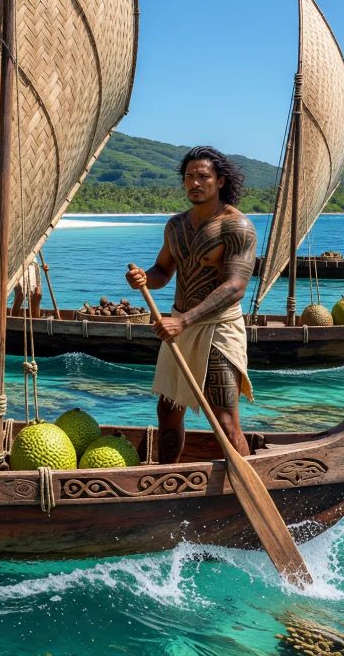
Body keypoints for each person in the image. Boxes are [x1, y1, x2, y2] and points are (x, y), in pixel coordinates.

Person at [125, 146, 257, 463]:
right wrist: (145, 278)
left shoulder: (237, 227)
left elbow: (236, 286)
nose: (195, 183)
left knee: (224, 419)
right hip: (179, 325)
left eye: (203, 177)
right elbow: (164, 271)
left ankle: (247, 485)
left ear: (220, 181)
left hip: (218, 329)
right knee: (168, 409)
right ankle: (166, 477)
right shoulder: (175, 226)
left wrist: (183, 322)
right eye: (189, 177)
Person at [11, 253, 43, 317]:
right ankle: (14, 320)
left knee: (37, 294)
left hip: (33, 262)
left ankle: (35, 321)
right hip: (19, 261)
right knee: (21, 294)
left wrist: (43, 264)